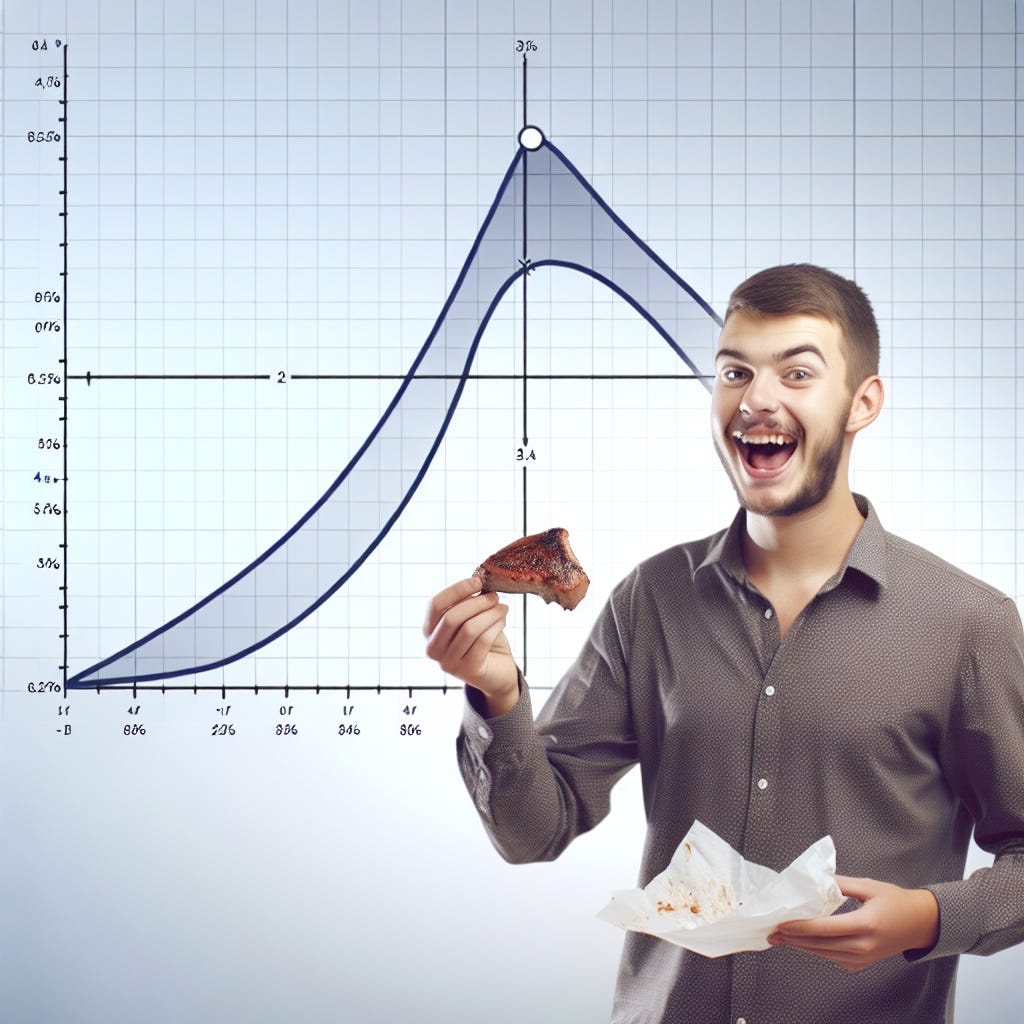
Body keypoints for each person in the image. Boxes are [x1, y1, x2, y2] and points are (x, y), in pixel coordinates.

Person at [422, 264, 1024, 1023]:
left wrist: (930, 919)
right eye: (734, 371)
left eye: (797, 372)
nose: (756, 398)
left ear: (862, 403)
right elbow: (533, 832)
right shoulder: (651, 600)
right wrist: (498, 696)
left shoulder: (968, 623)